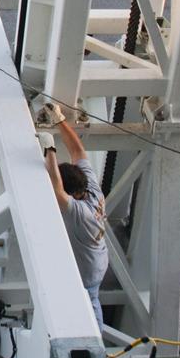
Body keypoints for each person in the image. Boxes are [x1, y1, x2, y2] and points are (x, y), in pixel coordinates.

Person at [38, 102, 108, 329]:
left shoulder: (81, 214)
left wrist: (50, 151)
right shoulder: (91, 186)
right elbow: (77, 150)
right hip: (96, 261)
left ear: (74, 194)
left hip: (88, 276)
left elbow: (57, 190)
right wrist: (59, 121)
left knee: (91, 314)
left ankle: (98, 350)